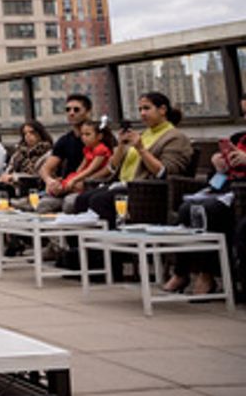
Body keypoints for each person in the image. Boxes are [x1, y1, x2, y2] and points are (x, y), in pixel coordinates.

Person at [164, 100, 246, 295]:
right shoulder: (238, 138)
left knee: (207, 211)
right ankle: (182, 272)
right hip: (225, 189)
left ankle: (206, 275)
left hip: (241, 196)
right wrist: (219, 168)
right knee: (187, 208)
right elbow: (215, 181)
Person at [76, 92, 194, 224]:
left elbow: (165, 172)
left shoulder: (175, 137)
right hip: (122, 185)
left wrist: (141, 149)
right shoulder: (143, 134)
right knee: (82, 199)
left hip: (145, 191)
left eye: (147, 108)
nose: (142, 113)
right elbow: (112, 167)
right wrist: (121, 145)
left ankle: (111, 234)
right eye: (140, 109)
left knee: (99, 201)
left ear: (162, 110)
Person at [35, 94, 93, 211]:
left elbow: (109, 166)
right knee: (43, 205)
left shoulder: (100, 136)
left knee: (69, 204)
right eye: (68, 110)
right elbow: (45, 169)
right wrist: (50, 182)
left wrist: (81, 181)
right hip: (66, 186)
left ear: (88, 112)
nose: (71, 113)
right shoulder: (65, 140)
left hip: (88, 185)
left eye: (76, 109)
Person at [0, 121, 52, 205]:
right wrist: (5, 177)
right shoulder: (19, 153)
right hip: (13, 185)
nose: (28, 136)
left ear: (40, 134)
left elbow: (39, 175)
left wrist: (14, 177)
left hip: (32, 186)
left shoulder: (47, 153)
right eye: (25, 133)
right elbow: (9, 169)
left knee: (0, 189)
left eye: (32, 132)